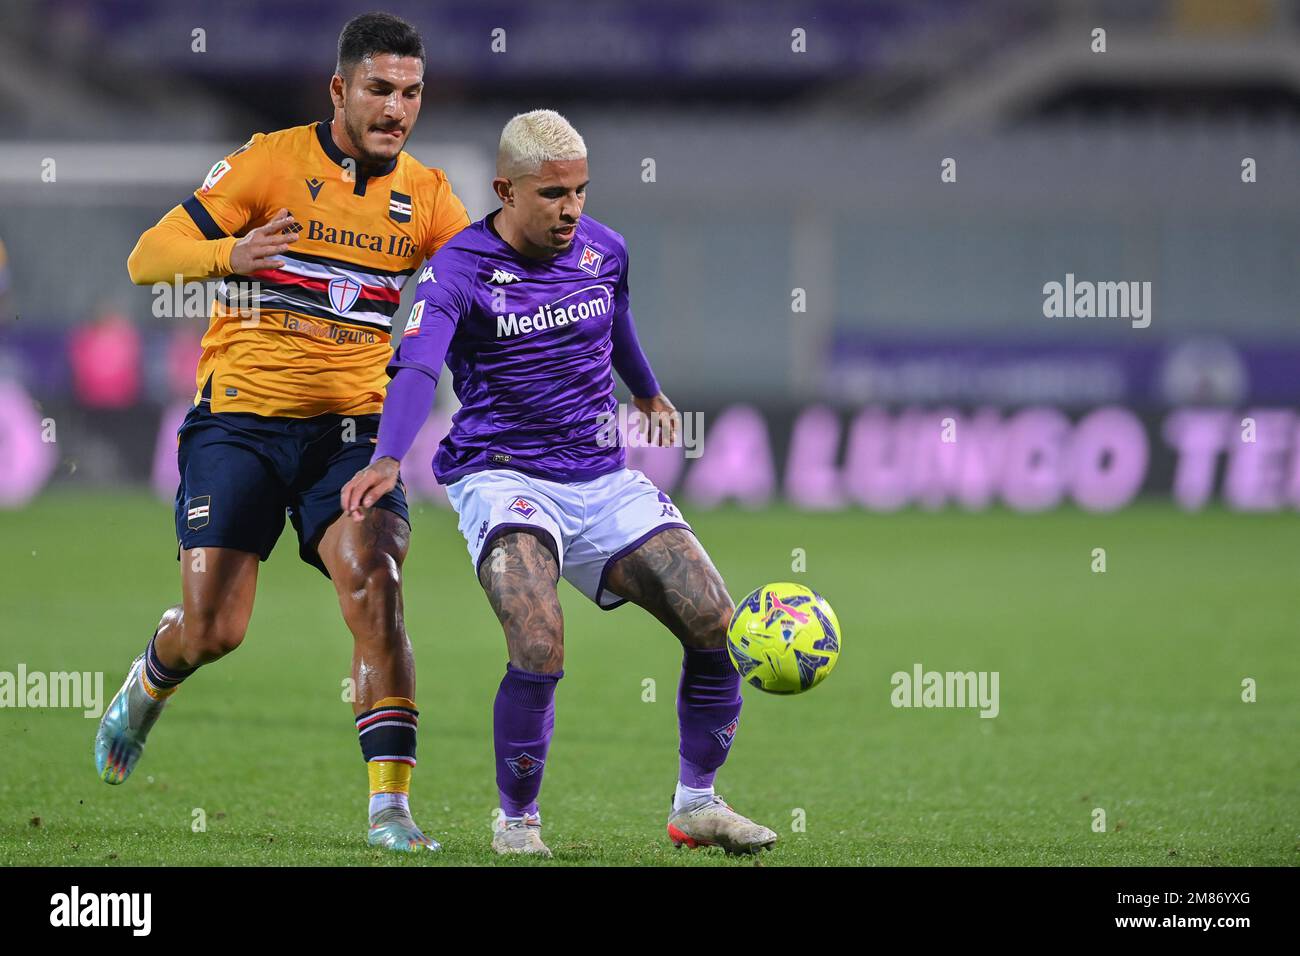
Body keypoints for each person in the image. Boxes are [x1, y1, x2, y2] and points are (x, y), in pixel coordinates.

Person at [341, 109, 777, 856]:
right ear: (505, 190)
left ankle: (697, 804)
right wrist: (388, 454)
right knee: (538, 637)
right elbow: (416, 365)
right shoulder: (457, 269)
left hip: (601, 478)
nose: (571, 209)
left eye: (580, 190)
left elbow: (617, 322)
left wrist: (645, 390)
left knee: (715, 622)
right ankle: (517, 821)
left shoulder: (605, 250)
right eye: (553, 194)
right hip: (501, 474)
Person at [95, 12, 469, 853]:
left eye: (410, 93)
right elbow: (148, 257)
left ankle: (390, 809)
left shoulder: (431, 198)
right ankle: (152, 679)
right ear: (340, 89)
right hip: (240, 425)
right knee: (213, 630)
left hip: (348, 435)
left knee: (376, 580)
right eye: (378, 89)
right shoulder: (269, 161)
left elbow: (482, 288)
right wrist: (231, 256)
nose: (395, 108)